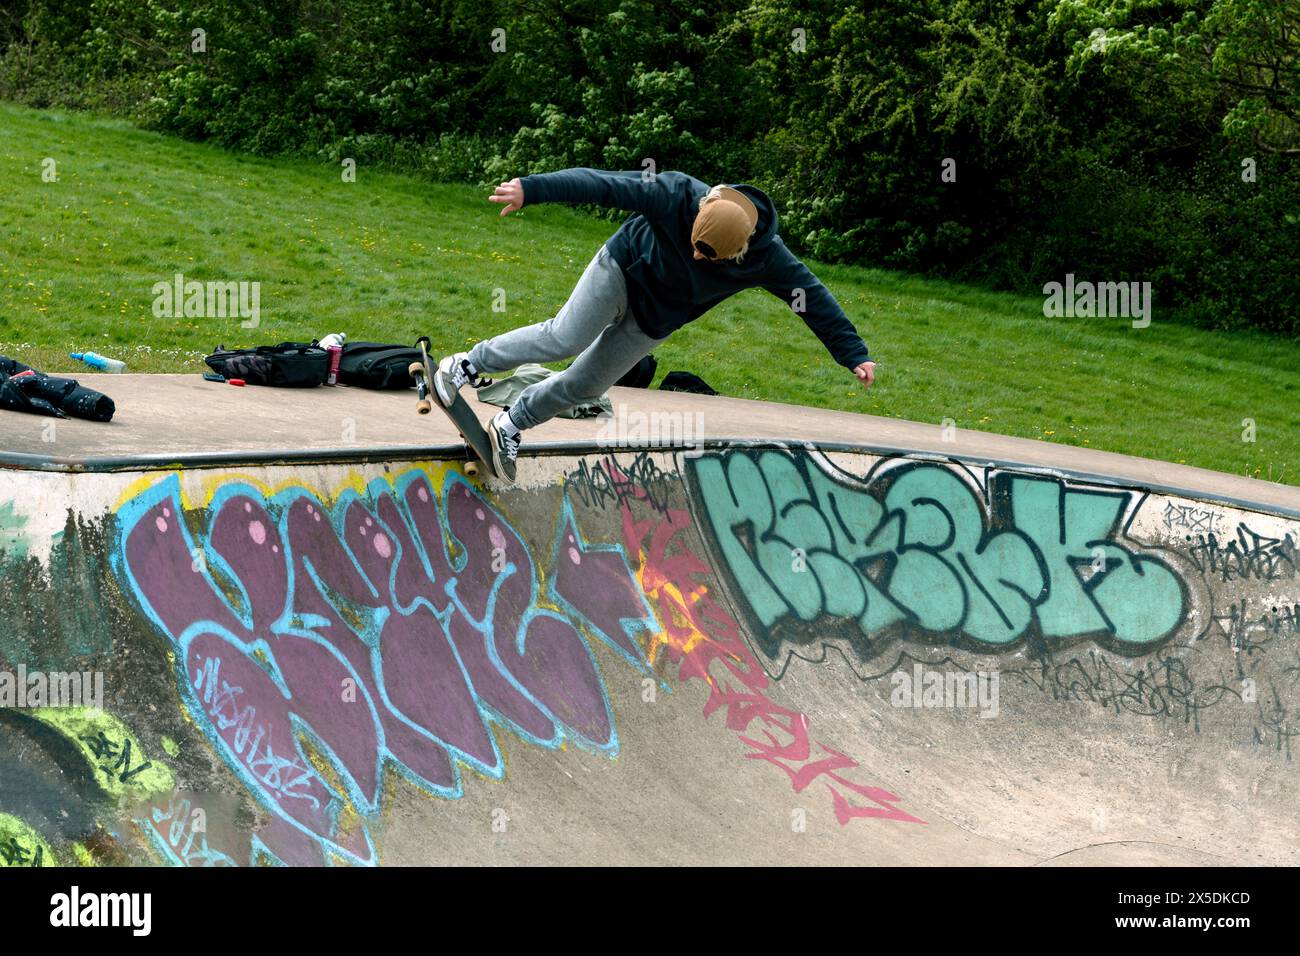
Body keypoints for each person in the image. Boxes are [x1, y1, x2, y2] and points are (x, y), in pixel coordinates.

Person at [435, 168, 876, 481]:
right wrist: (531, 190)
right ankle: (466, 365)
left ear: (741, 251)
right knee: (564, 337)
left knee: (588, 386)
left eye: (710, 257)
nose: (698, 258)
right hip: (622, 270)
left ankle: (512, 424)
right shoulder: (675, 193)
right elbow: (604, 185)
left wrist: (853, 352)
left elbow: (810, 297)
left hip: (659, 315)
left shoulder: (770, 258)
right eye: (695, 247)